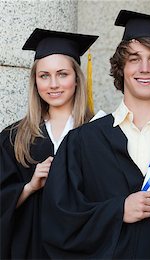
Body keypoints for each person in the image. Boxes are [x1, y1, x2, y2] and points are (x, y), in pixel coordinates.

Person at [40, 10, 150, 258]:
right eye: (134, 59)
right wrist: (117, 211)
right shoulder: (83, 142)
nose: (145, 68)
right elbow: (58, 224)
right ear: (121, 67)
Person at [0, 28, 98, 258]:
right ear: (35, 81)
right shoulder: (15, 137)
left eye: (62, 74)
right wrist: (29, 187)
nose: (53, 84)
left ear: (76, 78)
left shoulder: (99, 132)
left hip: (83, 249)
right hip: (30, 249)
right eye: (44, 75)